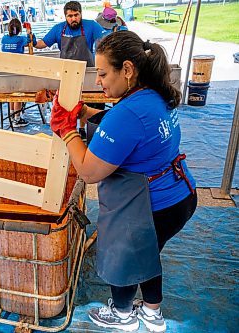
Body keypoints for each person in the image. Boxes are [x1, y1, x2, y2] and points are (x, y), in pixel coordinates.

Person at [50, 30, 197, 332]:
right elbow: (130, 126)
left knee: (124, 257)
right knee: (147, 253)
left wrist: (67, 131)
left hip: (148, 206)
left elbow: (89, 171)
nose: (98, 82)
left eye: (103, 73)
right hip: (180, 195)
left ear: (127, 70)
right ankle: (152, 314)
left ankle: (122, 315)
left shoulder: (128, 113)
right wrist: (89, 113)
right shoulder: (154, 94)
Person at [35, 1, 104, 139]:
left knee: (88, 103)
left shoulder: (91, 26)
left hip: (87, 74)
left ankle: (83, 129)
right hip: (67, 76)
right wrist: (32, 41)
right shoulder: (58, 29)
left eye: (76, 15)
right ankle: (70, 132)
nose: (73, 18)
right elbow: (42, 43)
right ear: (65, 16)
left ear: (81, 14)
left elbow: (104, 41)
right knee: (68, 104)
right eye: (70, 16)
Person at [1, 19, 37, 128]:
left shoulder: (4, 38)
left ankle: (12, 116)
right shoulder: (21, 39)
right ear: (19, 29)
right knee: (18, 93)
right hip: (18, 69)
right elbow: (32, 42)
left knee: (11, 92)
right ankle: (17, 119)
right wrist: (29, 32)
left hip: (6, 69)